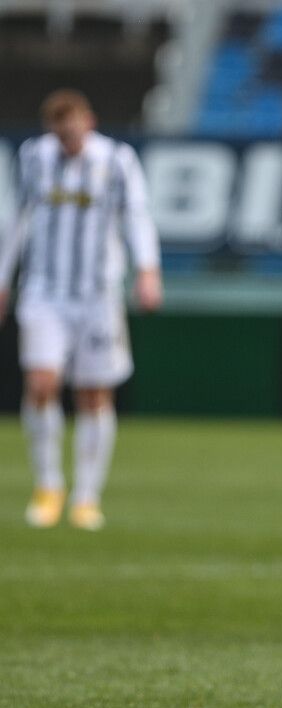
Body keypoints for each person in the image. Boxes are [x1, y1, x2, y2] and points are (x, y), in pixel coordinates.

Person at [0, 89, 162, 531]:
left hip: (97, 294)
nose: (66, 141)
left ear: (88, 123)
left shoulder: (117, 160)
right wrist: (3, 278)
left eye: (72, 131)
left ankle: (87, 496)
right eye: (59, 133)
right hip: (44, 290)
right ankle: (49, 485)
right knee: (40, 382)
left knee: (93, 393)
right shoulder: (35, 157)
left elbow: (137, 215)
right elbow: (17, 217)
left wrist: (148, 271)